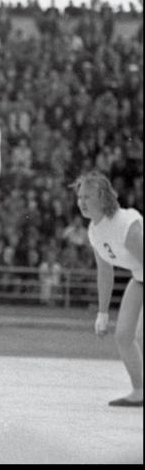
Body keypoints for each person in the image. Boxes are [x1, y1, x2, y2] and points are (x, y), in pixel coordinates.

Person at [73, 171, 143, 407]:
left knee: (141, 337)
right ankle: (140, 391)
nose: (82, 202)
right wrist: (102, 313)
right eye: (80, 197)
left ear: (103, 198)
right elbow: (105, 272)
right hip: (140, 278)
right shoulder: (95, 230)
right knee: (124, 337)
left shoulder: (125, 225)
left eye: (88, 197)